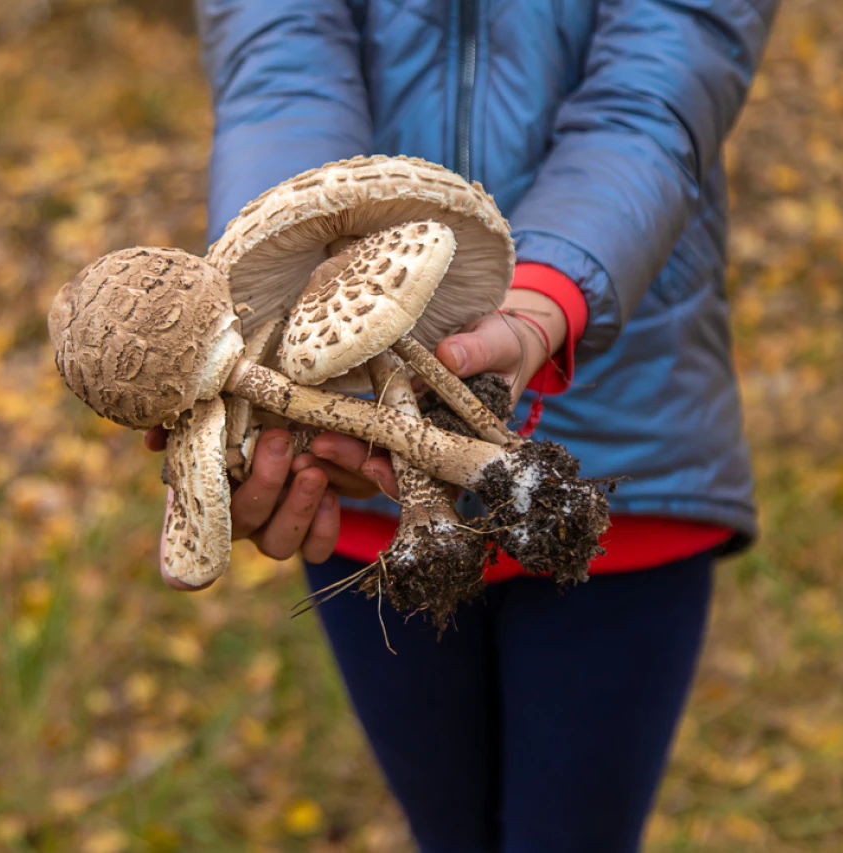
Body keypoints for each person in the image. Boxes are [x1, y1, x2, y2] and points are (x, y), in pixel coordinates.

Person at [147, 1, 780, 850]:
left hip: (628, 427)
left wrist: (547, 302)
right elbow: (280, 59)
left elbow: (659, 83)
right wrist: (292, 295)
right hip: (368, 475)